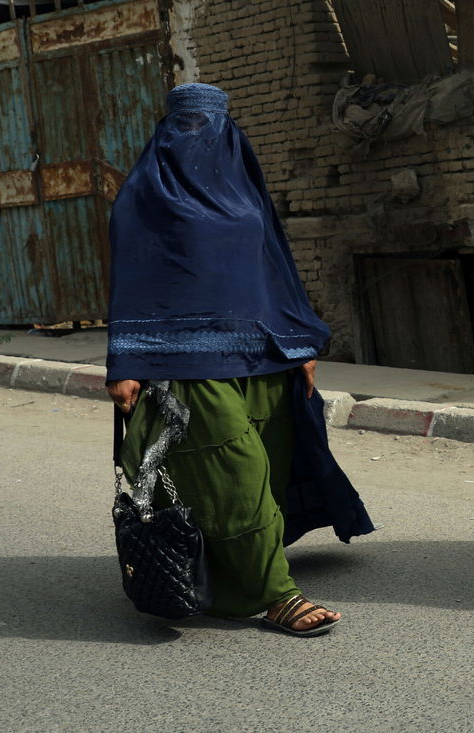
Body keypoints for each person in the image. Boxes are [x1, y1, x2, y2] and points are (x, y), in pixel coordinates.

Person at [105, 82, 373, 634]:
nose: (197, 135)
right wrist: (126, 361)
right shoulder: (144, 195)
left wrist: (299, 344)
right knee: (237, 475)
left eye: (209, 123)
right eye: (186, 123)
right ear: (168, 125)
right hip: (183, 366)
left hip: (260, 355)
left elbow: (274, 267)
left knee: (261, 478)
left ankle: (236, 572)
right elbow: (132, 280)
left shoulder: (245, 190)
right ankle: (278, 596)